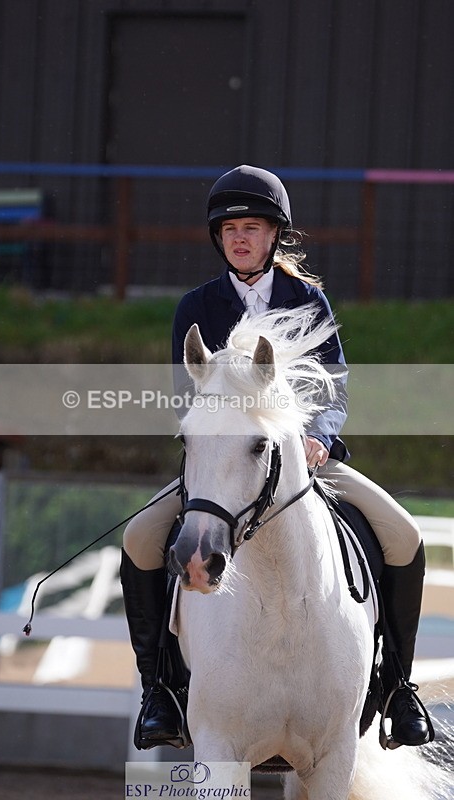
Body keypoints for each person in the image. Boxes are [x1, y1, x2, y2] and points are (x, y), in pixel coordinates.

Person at [121, 164, 432, 750]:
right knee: (140, 540)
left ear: (274, 236)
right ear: (219, 238)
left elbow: (333, 387)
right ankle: (158, 691)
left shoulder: (308, 301)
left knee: (405, 536)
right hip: (222, 470)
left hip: (302, 461)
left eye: (253, 228)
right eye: (232, 228)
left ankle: (397, 689)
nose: (241, 238)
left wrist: (320, 435)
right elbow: (183, 398)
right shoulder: (197, 306)